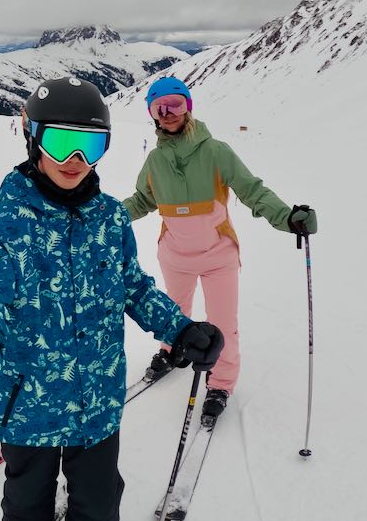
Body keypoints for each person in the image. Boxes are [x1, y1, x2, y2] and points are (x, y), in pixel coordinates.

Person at [0, 77, 224, 521]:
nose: (76, 157)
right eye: (60, 142)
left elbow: (131, 284)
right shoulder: (4, 227)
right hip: (25, 398)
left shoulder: (109, 219)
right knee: (25, 486)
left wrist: (180, 327)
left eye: (92, 143)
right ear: (32, 138)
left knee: (99, 492)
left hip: (96, 397)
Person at [123, 76, 318, 425]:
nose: (168, 114)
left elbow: (252, 191)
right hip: (175, 254)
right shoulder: (154, 161)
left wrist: (286, 217)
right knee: (174, 311)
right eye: (159, 108)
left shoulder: (216, 152)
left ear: (189, 107)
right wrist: (103, 218)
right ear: (153, 114)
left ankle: (221, 383)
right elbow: (141, 200)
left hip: (217, 256)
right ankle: (173, 352)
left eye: (176, 105)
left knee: (223, 322)